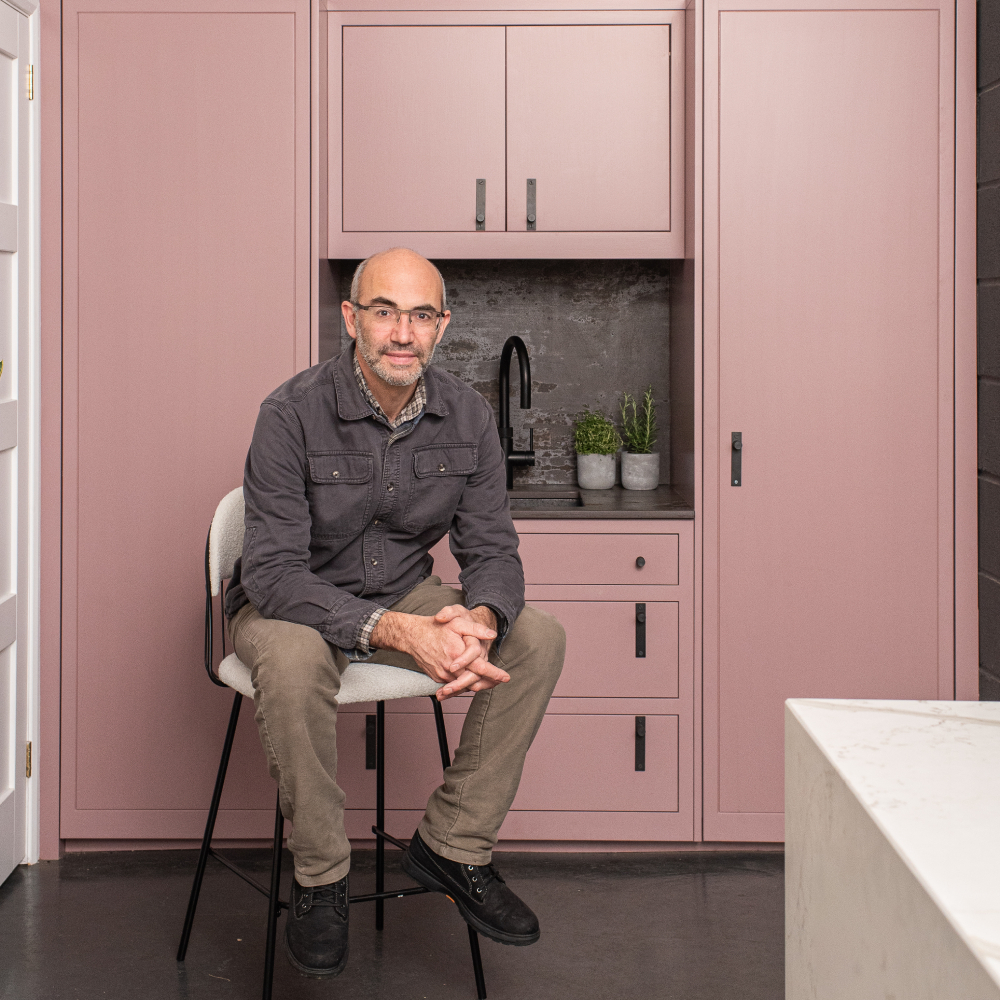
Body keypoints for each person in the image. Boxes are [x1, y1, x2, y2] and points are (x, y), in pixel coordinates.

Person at [224, 247, 566, 977]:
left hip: (404, 591)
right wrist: (396, 629)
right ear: (351, 319)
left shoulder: (467, 415)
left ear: (442, 327)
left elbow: (494, 552)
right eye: (384, 312)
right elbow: (274, 572)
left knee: (535, 637)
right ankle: (321, 878)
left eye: (419, 315)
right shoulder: (289, 414)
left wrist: (482, 620)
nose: (401, 333)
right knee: (290, 658)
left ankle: (452, 845)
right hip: (292, 603)